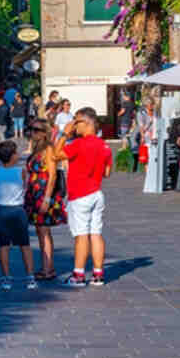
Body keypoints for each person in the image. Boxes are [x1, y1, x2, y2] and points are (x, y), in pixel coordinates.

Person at [54, 107, 112, 287]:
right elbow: (107, 172)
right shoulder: (104, 145)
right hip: (96, 192)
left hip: (79, 194)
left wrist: (64, 134)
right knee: (96, 233)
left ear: (86, 123)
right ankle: (98, 274)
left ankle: (78, 275)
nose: (74, 125)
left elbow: (56, 155)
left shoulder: (79, 144)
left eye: (76, 121)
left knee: (81, 235)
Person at [0, 140, 36, 291]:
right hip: (18, 211)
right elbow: (27, 191)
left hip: (2, 211)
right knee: (25, 245)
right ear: (13, 156)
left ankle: (6, 278)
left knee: (4, 246)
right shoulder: (22, 171)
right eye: (16, 152)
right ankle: (30, 277)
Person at [23, 118, 65, 280]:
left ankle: (48, 269)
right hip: (34, 193)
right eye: (31, 129)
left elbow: (53, 175)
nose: (32, 133)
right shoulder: (36, 148)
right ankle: (48, 267)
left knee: (44, 231)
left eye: (36, 130)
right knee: (40, 231)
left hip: (43, 193)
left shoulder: (48, 149)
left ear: (44, 132)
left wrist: (47, 198)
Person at [132, 99, 156, 173]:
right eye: (151, 104)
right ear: (147, 105)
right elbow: (141, 127)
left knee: (154, 158)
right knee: (147, 159)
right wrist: (142, 137)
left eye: (153, 104)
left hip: (155, 137)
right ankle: (148, 174)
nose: (153, 106)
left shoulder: (156, 112)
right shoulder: (141, 113)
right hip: (147, 138)